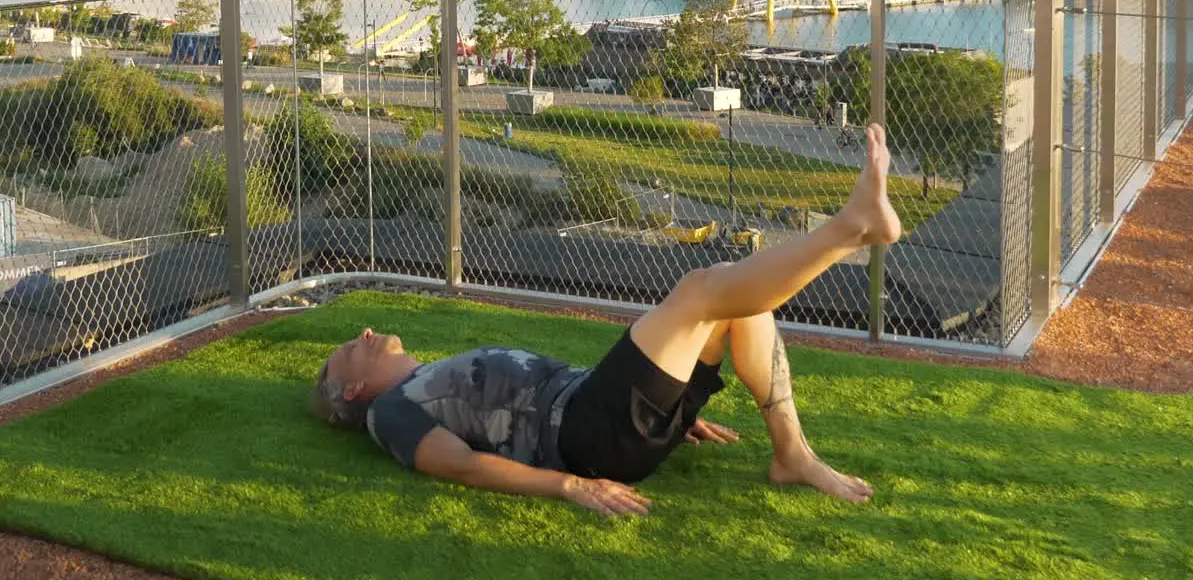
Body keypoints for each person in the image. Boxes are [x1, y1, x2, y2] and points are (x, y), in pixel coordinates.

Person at [311, 124, 903, 517]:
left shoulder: (425, 382)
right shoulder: (390, 413)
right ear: (354, 389)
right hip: (589, 435)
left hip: (604, 409)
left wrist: (663, 400)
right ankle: (848, 231)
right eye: (351, 348)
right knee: (701, 290)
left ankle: (791, 454)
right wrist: (569, 485)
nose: (363, 333)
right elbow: (461, 467)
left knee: (733, 300)